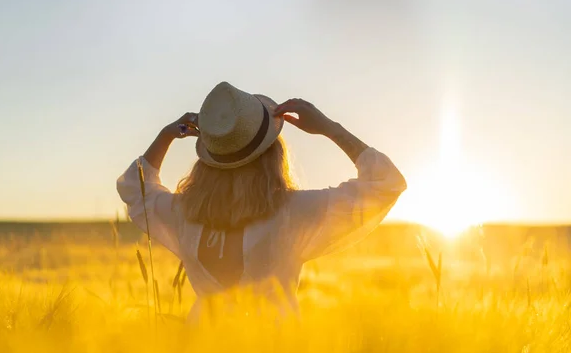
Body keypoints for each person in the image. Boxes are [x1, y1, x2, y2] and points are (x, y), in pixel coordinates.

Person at [117, 82, 407, 320]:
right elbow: (386, 184)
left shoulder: (184, 214)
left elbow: (136, 189)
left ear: (207, 158)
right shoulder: (293, 213)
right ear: (272, 154)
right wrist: (330, 128)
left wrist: (168, 134)